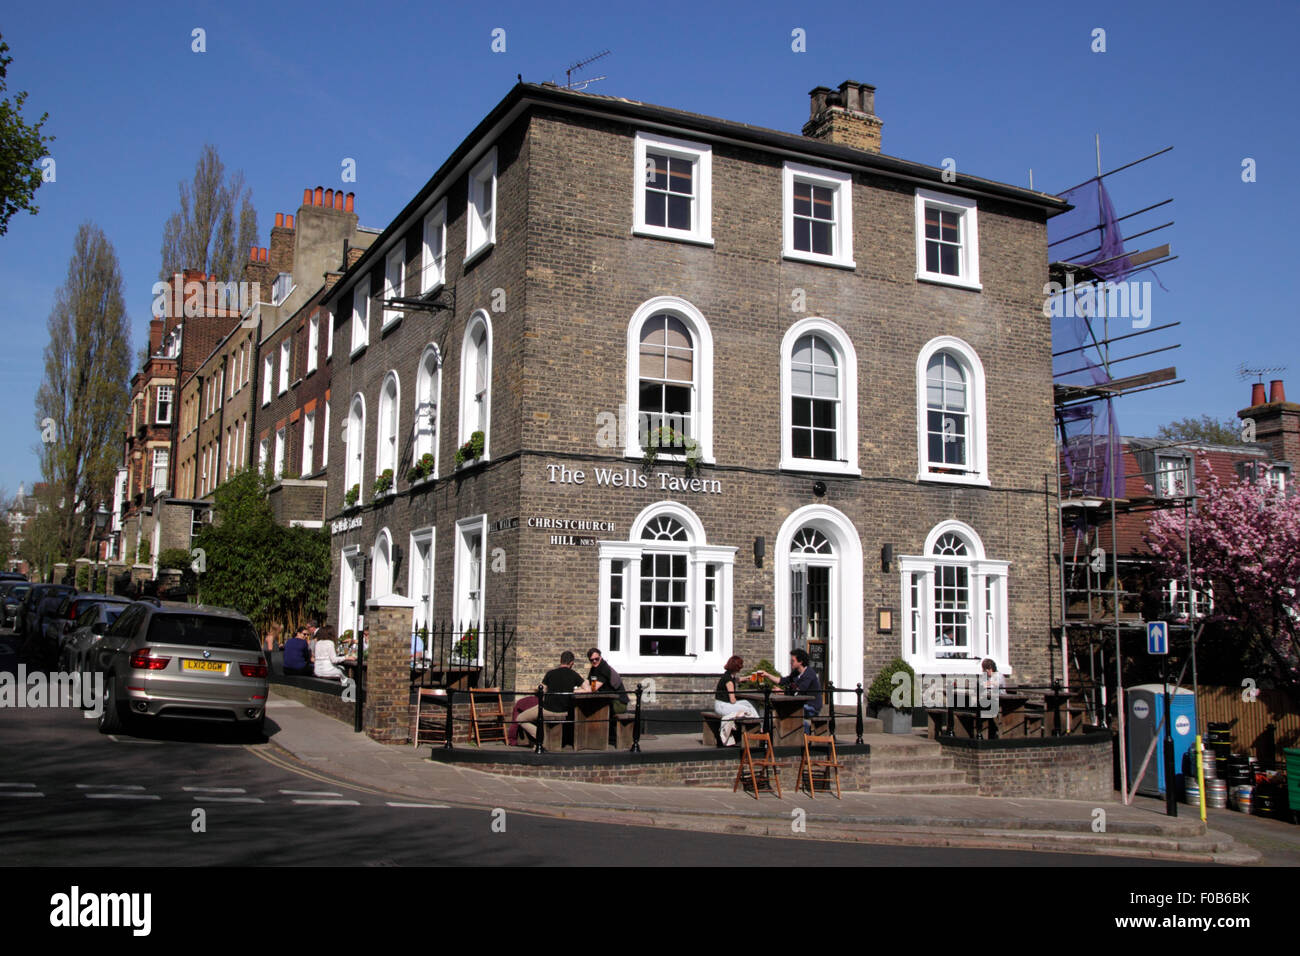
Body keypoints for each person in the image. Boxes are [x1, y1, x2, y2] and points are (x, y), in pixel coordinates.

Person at [516, 651, 589, 745]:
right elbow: (587, 689)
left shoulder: (550, 673)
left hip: (547, 709)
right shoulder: (574, 674)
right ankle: (542, 736)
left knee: (520, 718)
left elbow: (542, 689)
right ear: (572, 663)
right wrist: (574, 691)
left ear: (560, 661)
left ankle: (540, 735)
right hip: (564, 710)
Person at [754, 649, 822, 729]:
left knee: (787, 713)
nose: (790, 663)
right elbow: (782, 681)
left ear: (800, 662)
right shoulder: (796, 673)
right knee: (779, 711)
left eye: (793, 661)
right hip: (800, 704)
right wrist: (767, 675)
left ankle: (805, 731)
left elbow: (798, 692)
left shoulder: (809, 674)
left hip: (811, 706)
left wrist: (782, 692)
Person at [714, 655, 760, 746]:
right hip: (723, 706)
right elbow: (732, 700)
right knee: (747, 709)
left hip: (721, 704)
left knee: (749, 703)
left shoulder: (728, 675)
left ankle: (759, 723)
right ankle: (758, 729)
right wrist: (737, 701)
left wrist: (748, 678)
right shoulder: (729, 681)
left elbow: (737, 679)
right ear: (738, 667)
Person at [586, 648, 628, 712]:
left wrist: (577, 691)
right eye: (591, 660)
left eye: (596, 659)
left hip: (618, 703)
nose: (594, 661)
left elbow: (593, 688)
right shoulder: (594, 669)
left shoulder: (604, 668)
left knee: (593, 708)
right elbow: (587, 683)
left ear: (600, 657)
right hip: (608, 701)